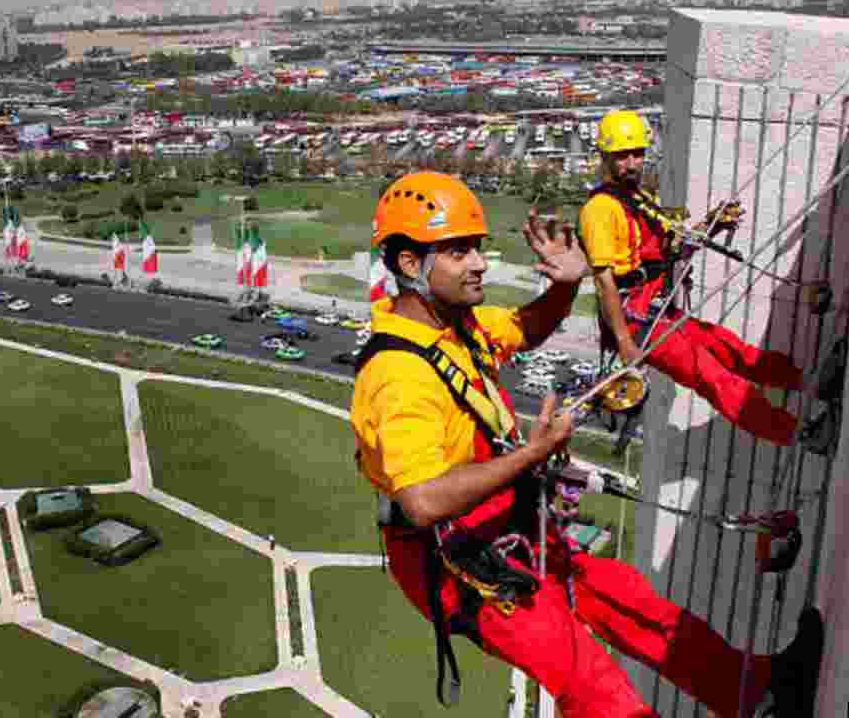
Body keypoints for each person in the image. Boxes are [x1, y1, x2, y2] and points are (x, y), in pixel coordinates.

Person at [350, 171, 822, 718]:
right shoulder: (398, 376)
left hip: (506, 528)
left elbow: (524, 330)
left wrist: (566, 285)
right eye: (458, 252)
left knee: (634, 605)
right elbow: (424, 500)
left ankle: (760, 693)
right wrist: (529, 453)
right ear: (411, 264)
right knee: (592, 686)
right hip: (461, 563)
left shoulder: (456, 329)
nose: (480, 262)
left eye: (477, 248)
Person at [579, 109, 804, 446]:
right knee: (713, 377)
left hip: (657, 311)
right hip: (637, 320)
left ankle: (805, 381)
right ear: (605, 157)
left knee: (729, 348)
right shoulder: (600, 210)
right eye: (622, 156)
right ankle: (798, 434)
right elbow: (605, 282)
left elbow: (671, 249)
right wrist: (625, 342)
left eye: (637, 154)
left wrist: (711, 224)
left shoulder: (639, 199)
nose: (631, 163)